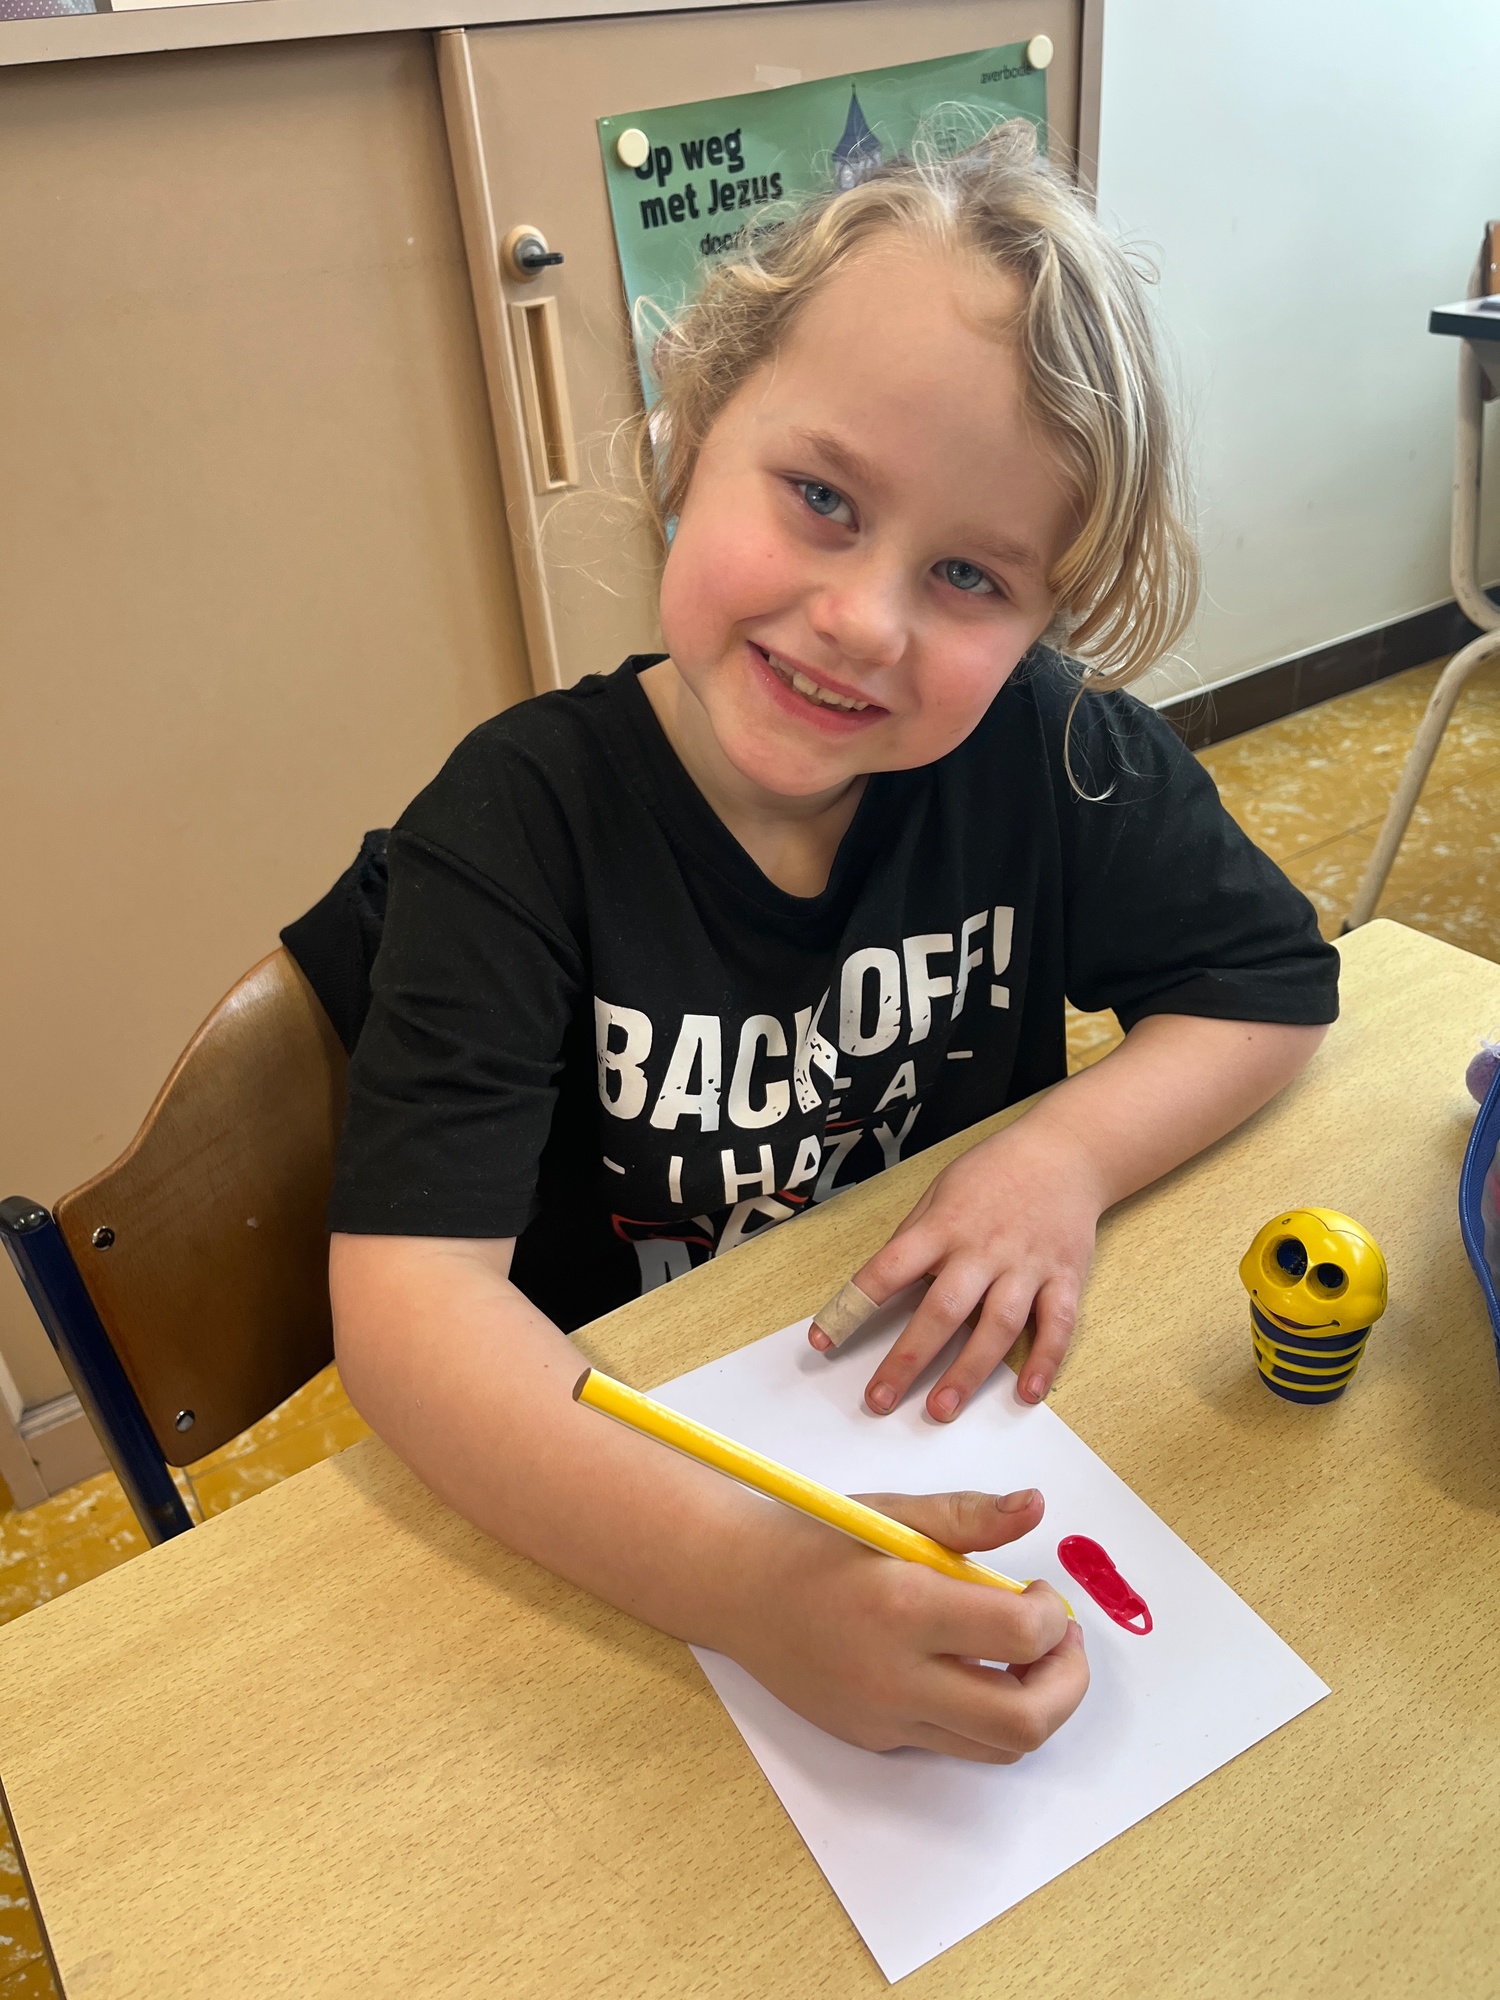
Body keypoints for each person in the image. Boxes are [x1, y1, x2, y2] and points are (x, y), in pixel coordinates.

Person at [327, 124, 1337, 1764]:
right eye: (821, 498)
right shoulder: (516, 823)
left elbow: (1275, 989)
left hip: (953, 1428)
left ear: (1045, 621)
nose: (867, 620)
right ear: (689, 433)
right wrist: (749, 1588)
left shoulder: (1050, 753)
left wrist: (1062, 1159)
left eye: (971, 575)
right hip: (615, 1536)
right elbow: (407, 1307)